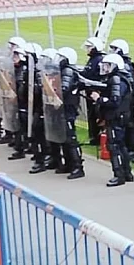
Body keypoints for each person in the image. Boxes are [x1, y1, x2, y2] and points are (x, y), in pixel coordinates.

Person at [90, 53, 134, 187]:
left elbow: (114, 101)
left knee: (114, 146)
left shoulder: (116, 80)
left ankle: (119, 175)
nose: (105, 68)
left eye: (107, 65)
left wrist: (99, 99)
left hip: (116, 117)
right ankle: (127, 173)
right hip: (117, 116)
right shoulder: (117, 78)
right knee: (120, 145)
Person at [56, 47, 85, 180]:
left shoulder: (68, 71)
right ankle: (68, 164)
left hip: (68, 109)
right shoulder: (62, 71)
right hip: (63, 108)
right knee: (64, 138)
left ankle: (78, 166)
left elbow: (64, 88)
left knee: (70, 139)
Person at [110, 39, 134, 158]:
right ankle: (127, 147)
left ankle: (132, 148)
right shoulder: (121, 63)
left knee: (129, 124)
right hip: (125, 98)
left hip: (127, 98)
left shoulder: (125, 65)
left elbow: (131, 84)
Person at [0, 36, 27, 145]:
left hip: (21, 101)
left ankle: (22, 143)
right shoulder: (12, 65)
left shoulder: (23, 69)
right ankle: (17, 140)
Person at [28, 45, 50, 174]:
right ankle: (40, 159)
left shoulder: (45, 75)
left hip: (44, 111)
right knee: (36, 135)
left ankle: (44, 159)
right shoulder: (35, 73)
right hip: (37, 109)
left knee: (43, 137)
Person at [81, 37, 106, 145]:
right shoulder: (93, 60)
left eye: (89, 47)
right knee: (91, 115)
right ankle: (93, 137)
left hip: (96, 92)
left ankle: (97, 137)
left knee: (96, 115)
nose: (87, 49)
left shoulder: (98, 60)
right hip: (90, 92)